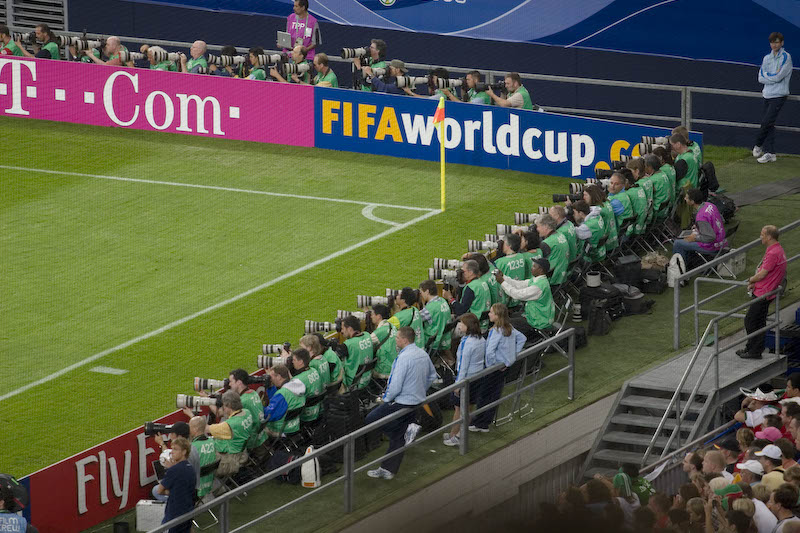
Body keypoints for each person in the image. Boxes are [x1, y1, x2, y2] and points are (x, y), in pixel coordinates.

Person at [366, 327, 437, 479]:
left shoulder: (403, 358)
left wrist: (386, 399)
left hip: (402, 401)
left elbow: (396, 385)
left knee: (371, 419)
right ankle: (388, 469)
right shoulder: (422, 353)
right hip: (417, 401)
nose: (395, 340)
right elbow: (432, 376)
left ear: (404, 340)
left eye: (397, 337)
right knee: (398, 437)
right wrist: (420, 390)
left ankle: (405, 430)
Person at [471, 303, 525, 432]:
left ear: (497, 315)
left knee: (484, 395)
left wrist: (493, 364)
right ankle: (484, 422)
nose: (489, 314)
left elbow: (490, 352)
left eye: (491, 312)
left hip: (493, 369)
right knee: (494, 394)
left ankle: (479, 422)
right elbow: (522, 339)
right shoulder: (509, 327)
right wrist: (511, 356)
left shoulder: (496, 331)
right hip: (503, 367)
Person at [739, 225, 787, 359]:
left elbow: (762, 274)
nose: (760, 237)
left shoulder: (773, 253)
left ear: (769, 237)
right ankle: (751, 348)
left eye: (762, 235)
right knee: (758, 321)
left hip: (764, 293)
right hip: (766, 291)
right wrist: (755, 282)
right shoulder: (777, 249)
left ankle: (755, 350)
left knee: (751, 321)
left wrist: (750, 280)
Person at [443, 313, 485, 447]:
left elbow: (463, 365)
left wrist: (458, 384)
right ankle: (458, 433)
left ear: (468, 326)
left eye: (461, 323)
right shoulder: (480, 339)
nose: (459, 325)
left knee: (459, 409)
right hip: (477, 377)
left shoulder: (468, 343)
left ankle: (455, 435)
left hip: (466, 379)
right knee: (468, 407)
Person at [753, 32, 792, 164]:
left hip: (779, 95)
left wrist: (768, 76)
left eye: (777, 42)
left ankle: (758, 144)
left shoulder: (786, 57)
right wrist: (772, 76)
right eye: (772, 42)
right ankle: (770, 153)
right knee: (769, 124)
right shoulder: (766, 58)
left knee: (766, 122)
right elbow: (760, 78)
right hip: (767, 94)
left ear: (782, 43)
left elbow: (779, 77)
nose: (774, 45)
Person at [496, 258, 555, 341]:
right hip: (536, 316)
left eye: (534, 266)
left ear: (540, 270)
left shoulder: (538, 287)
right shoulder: (538, 280)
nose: (531, 268)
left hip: (538, 322)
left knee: (506, 323)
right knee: (511, 316)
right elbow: (519, 284)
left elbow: (517, 294)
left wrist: (502, 282)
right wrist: (503, 277)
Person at [671, 188, 727, 264]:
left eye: (687, 198)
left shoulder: (701, 217)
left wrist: (694, 238)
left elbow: (710, 237)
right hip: (722, 241)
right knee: (686, 239)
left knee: (678, 243)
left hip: (712, 246)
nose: (685, 199)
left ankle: (679, 267)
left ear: (692, 201)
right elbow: (722, 220)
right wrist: (700, 226)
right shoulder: (710, 205)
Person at [154, 437, 196, 533]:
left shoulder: (173, 470)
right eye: (172, 449)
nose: (172, 452)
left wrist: (171, 492)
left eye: (175, 449)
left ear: (184, 452)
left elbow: (159, 491)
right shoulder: (190, 468)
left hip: (174, 514)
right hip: (188, 510)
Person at [443, 260, 491, 331]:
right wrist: (461, 284)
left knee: (445, 325)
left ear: (470, 272)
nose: (461, 273)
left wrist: (450, 298)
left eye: (463, 271)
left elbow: (461, 312)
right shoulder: (481, 282)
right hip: (483, 323)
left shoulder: (471, 287)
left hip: (474, 327)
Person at [263, 364, 305, 436]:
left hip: (282, 430)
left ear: (279, 377)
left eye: (271, 377)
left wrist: (257, 405)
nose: (270, 379)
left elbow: (268, 415)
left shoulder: (282, 394)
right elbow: (277, 404)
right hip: (295, 426)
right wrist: (271, 388)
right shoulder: (297, 386)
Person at [418, 279, 453, 359]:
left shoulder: (430, 309)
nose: (421, 295)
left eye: (421, 292)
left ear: (427, 291)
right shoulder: (443, 301)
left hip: (433, 342)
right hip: (444, 338)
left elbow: (415, 319)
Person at [494, 233, 529, 308]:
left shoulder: (500, 262)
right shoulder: (521, 256)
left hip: (506, 298)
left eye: (503, 243)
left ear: (509, 245)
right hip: (520, 296)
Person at [288, 349, 323, 424]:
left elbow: (288, 395)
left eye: (294, 360)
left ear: (300, 362)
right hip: (317, 411)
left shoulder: (298, 380)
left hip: (305, 416)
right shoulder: (314, 370)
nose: (292, 362)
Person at [340, 315, 375, 391]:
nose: (341, 332)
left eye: (343, 328)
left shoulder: (348, 345)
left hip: (354, 383)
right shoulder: (367, 335)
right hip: (367, 379)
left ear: (349, 329)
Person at [536, 214, 569, 286]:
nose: (537, 229)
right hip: (562, 275)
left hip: (553, 279)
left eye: (538, 226)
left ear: (546, 227)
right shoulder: (560, 235)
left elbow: (540, 264)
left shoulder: (547, 243)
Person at [188, 416, 216, 501]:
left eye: (190, 427)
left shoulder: (192, 447)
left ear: (195, 429)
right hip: (210, 482)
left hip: (196, 486)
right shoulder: (212, 441)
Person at [370, 304, 398, 381]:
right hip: (396, 367)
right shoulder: (392, 326)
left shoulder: (380, 331)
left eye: (372, 314)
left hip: (385, 371)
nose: (371, 316)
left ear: (379, 316)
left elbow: (365, 344)